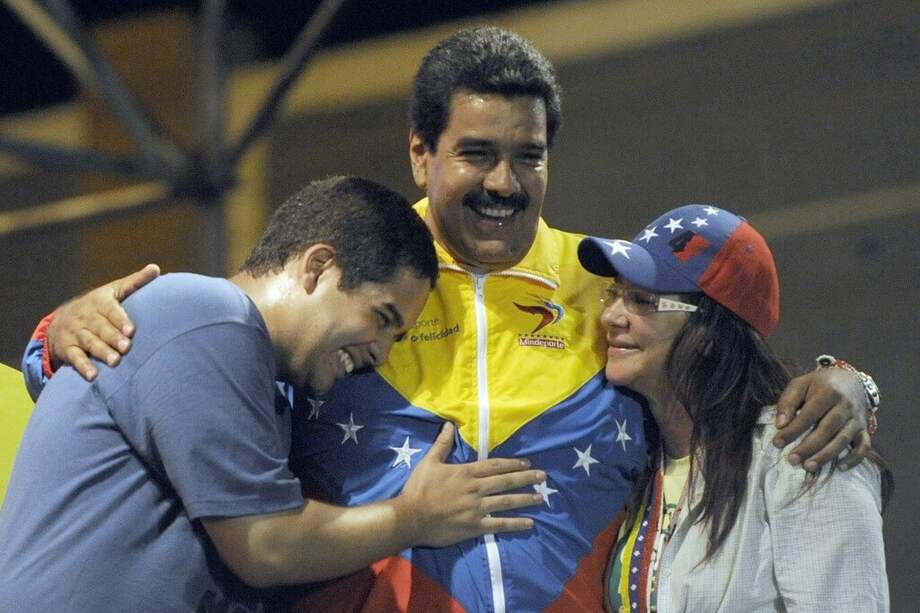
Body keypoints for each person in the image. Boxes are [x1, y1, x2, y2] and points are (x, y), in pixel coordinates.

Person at [21, 28, 879, 613]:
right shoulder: (352, 283)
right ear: (421, 153)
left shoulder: (609, 293)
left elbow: (731, 378)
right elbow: (187, 359)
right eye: (476, 152)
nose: (503, 181)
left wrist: (847, 382)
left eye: (528, 156)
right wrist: (54, 334)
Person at [0, 176, 547, 612]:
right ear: (318, 267)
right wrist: (414, 517)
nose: (381, 352)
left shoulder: (267, 386)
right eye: (381, 319)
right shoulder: (207, 315)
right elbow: (265, 545)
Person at [578, 204, 890, 612]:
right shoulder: (637, 461)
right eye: (615, 294)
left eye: (642, 301)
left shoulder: (804, 449)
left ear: (709, 332)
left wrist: (854, 383)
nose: (611, 316)